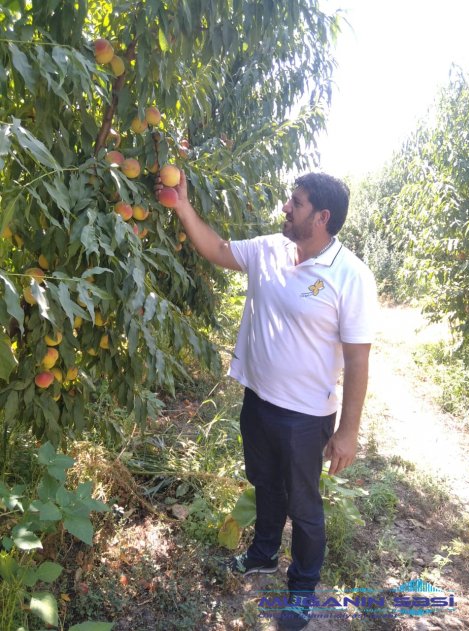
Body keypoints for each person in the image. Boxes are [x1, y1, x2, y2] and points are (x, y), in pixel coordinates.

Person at [155, 171, 378, 631]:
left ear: (322, 217)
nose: (285, 208)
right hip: (258, 400)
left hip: (307, 416)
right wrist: (181, 205)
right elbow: (217, 249)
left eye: (294, 203)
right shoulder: (269, 250)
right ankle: (262, 555)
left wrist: (348, 432)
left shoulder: (351, 276)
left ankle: (301, 592)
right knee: (265, 485)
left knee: (305, 504)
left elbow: (358, 360)